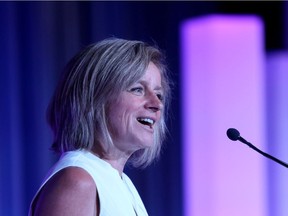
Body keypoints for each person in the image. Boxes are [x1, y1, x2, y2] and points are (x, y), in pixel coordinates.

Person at [29, 37, 171, 216]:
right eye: (137, 89)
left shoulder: (121, 182)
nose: (156, 104)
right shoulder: (78, 181)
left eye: (159, 94)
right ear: (95, 99)